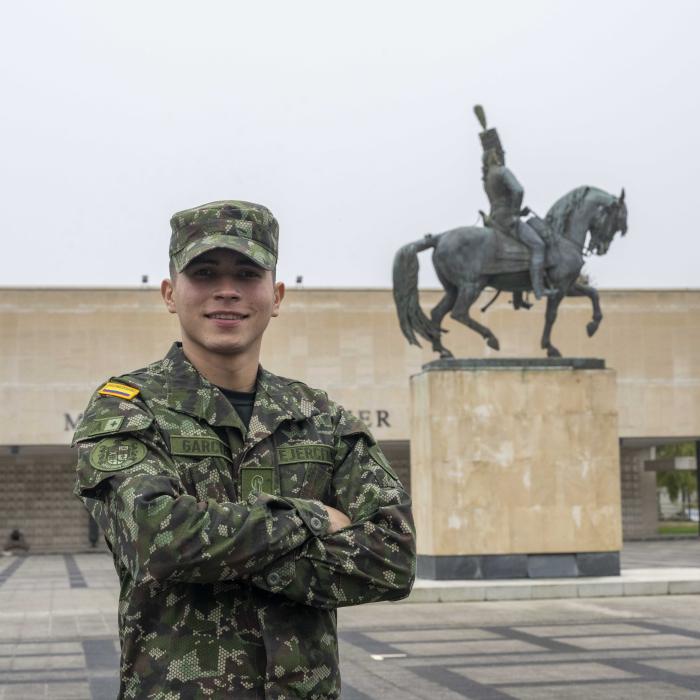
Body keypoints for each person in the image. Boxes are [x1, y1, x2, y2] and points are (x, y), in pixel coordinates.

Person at [72, 200, 416, 699]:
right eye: (205, 273)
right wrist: (311, 518)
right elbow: (159, 541)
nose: (226, 290)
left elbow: (394, 559)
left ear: (276, 295)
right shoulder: (127, 410)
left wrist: (217, 553)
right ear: (170, 293)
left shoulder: (321, 418)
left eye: (247, 273)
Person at [476, 111, 555, 300]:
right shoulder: (502, 172)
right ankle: (538, 290)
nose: (503, 155)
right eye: (501, 152)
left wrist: (517, 210)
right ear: (495, 154)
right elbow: (518, 190)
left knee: (520, 251)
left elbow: (499, 200)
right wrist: (514, 213)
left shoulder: (487, 178)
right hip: (507, 220)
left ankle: (519, 295)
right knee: (537, 246)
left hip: (494, 219)